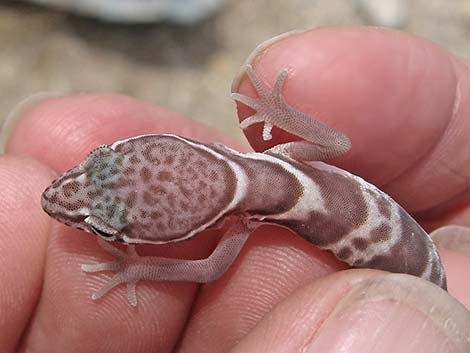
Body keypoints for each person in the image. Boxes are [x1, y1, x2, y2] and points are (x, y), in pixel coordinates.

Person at [1, 26, 469, 352]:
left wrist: (139, 268)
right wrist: (279, 114)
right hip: (418, 269)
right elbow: (338, 142)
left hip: (413, 294)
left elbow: (207, 271)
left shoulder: (244, 221)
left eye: (106, 228)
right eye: (95, 164)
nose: (62, 197)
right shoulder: (285, 160)